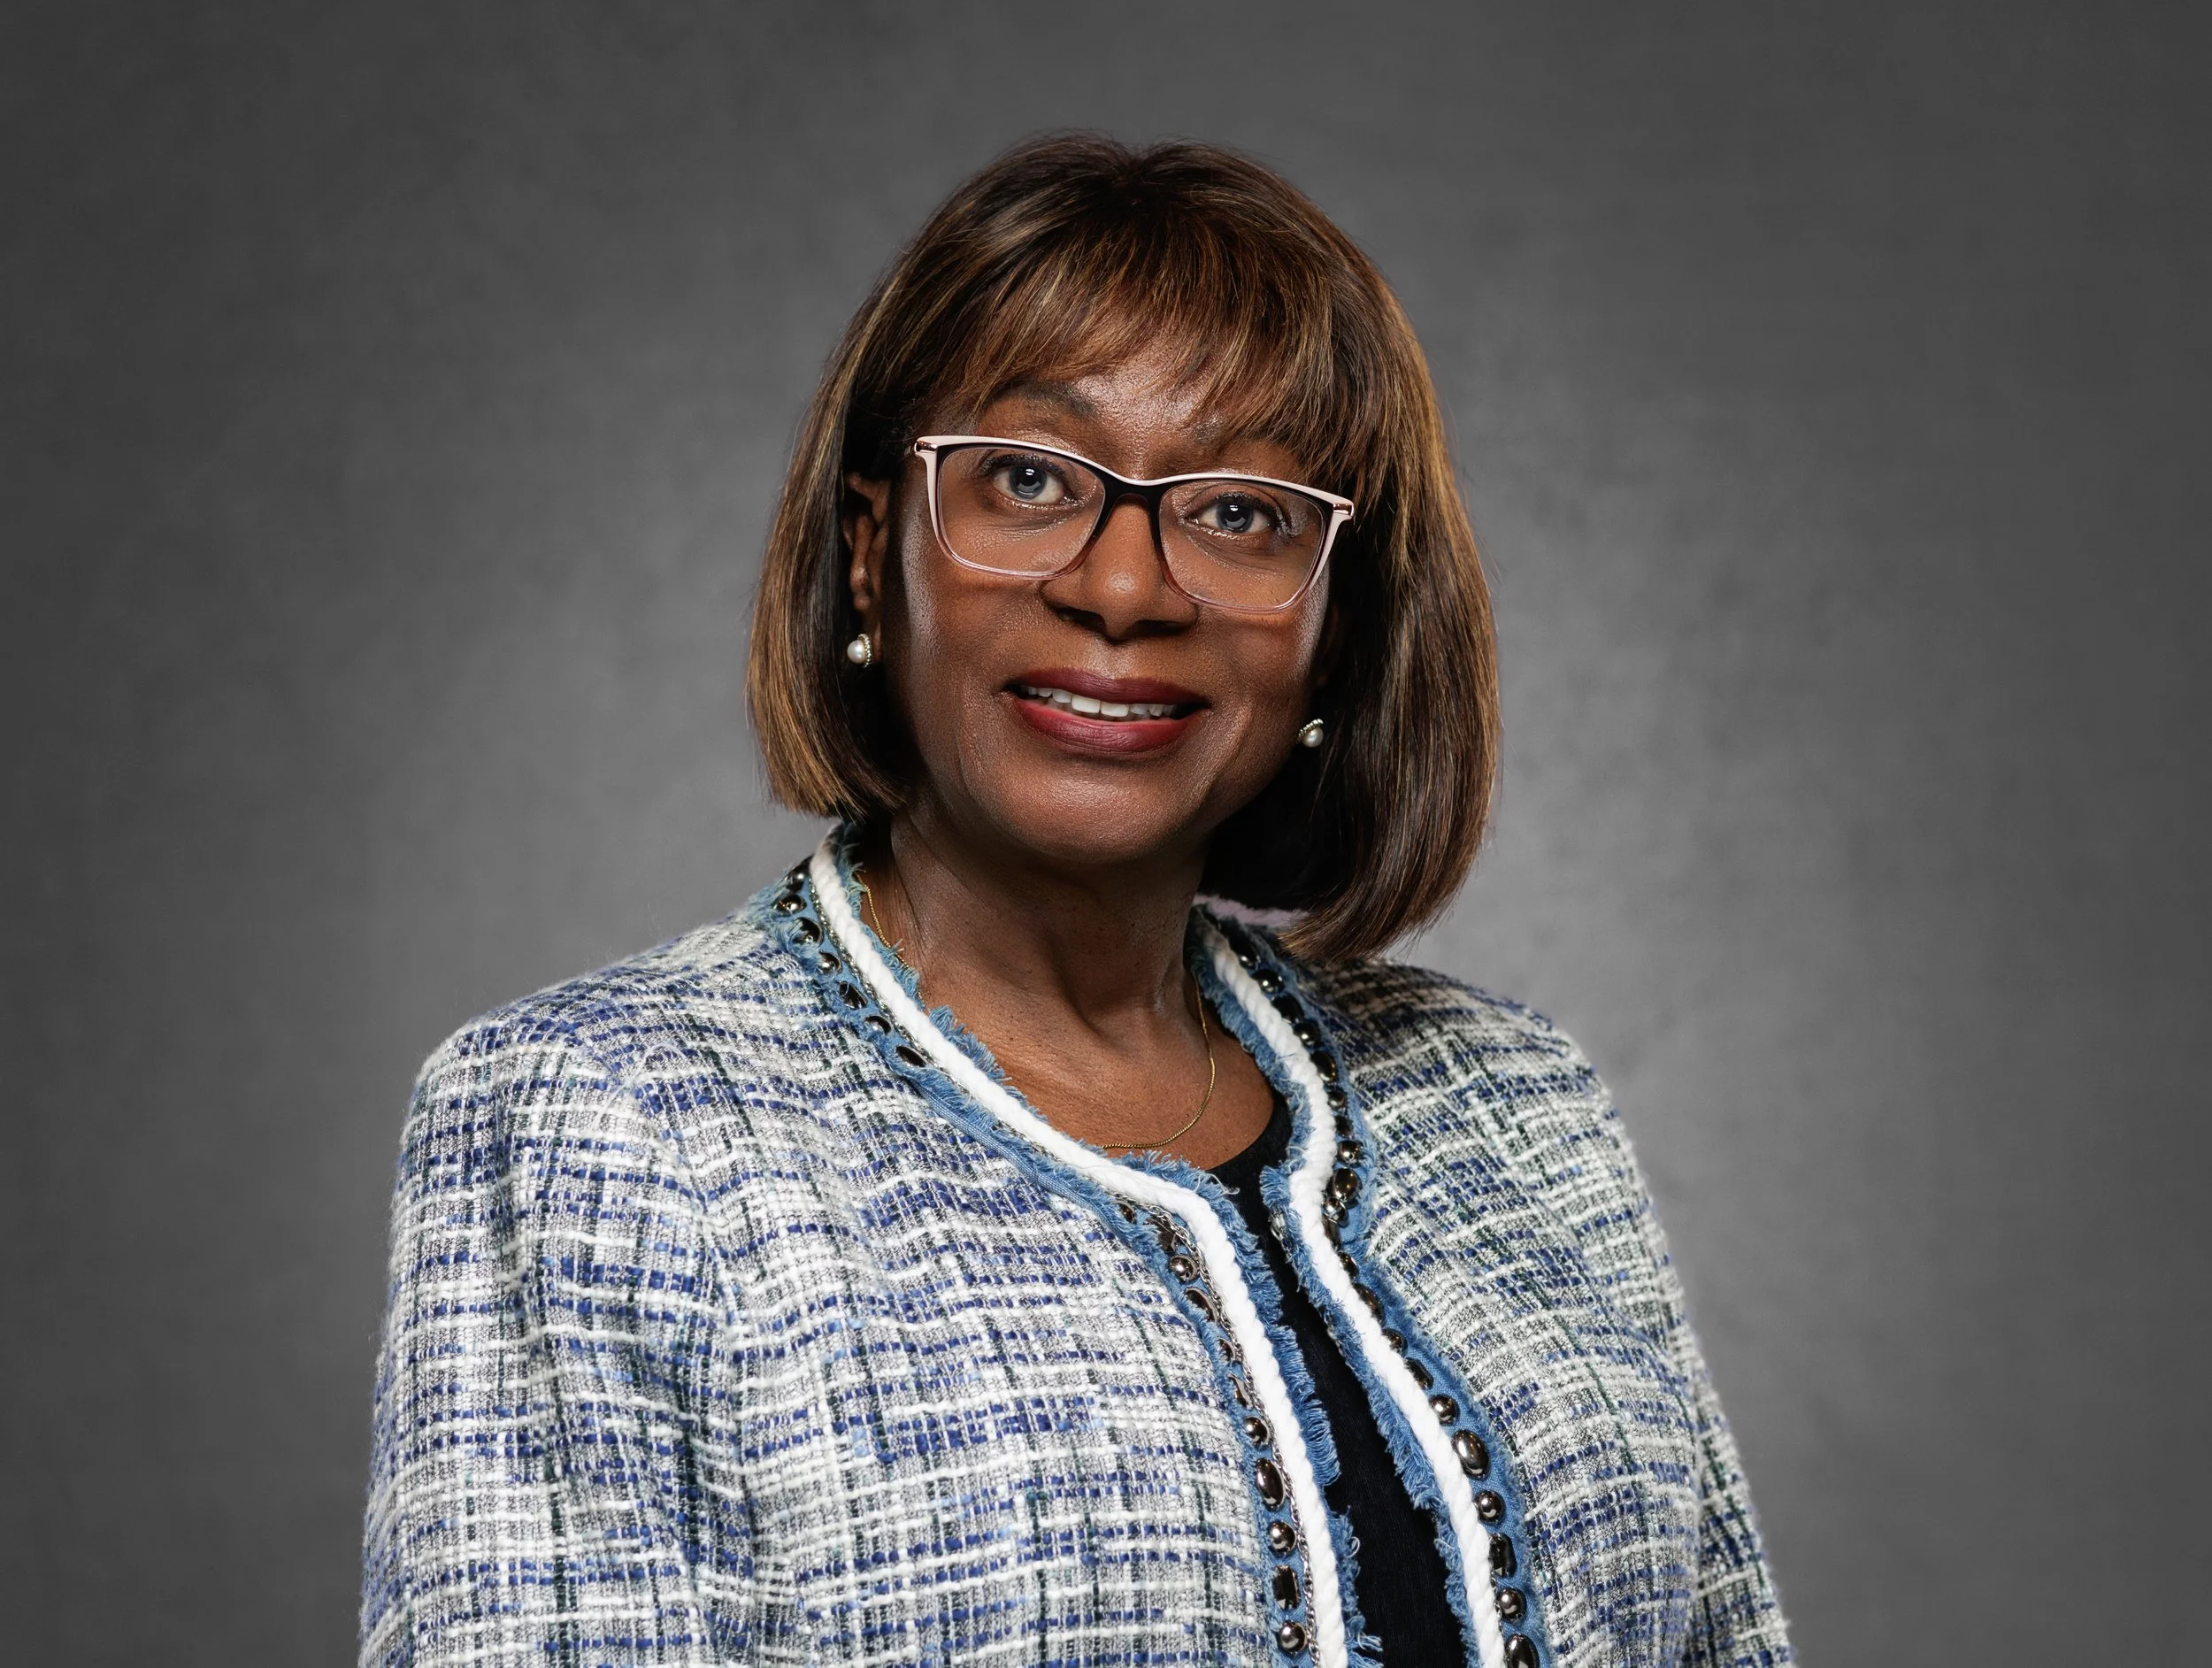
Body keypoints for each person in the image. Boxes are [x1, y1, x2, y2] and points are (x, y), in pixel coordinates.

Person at [361, 135, 1792, 1668]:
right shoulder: (609, 1127)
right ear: (870, 558)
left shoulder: (1525, 1113)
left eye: (1240, 510)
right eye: (1030, 479)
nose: (1126, 587)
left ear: (1334, 622)